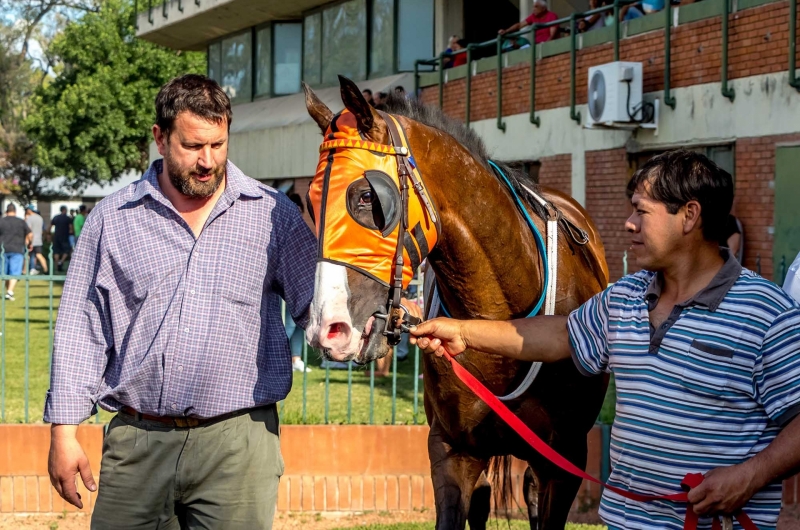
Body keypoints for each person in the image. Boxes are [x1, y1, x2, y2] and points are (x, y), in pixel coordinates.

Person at [411, 149, 800, 530]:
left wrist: (748, 477)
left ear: (689, 216)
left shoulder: (767, 314)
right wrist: (462, 331)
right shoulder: (625, 297)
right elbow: (561, 333)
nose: (628, 224)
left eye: (641, 211)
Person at [45, 74, 317, 530]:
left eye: (218, 144)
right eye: (192, 146)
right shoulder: (112, 220)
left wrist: (373, 322)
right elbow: (80, 329)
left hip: (238, 446)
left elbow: (319, 309)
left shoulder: (273, 214)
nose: (207, 161)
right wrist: (63, 433)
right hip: (138, 442)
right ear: (160, 138)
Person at [286, 192, 312, 373]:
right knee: (287, 325)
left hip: (300, 286)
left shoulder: (303, 231)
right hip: (284, 289)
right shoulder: (282, 231)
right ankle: (276, 359)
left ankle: (296, 359)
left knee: (298, 327)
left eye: (299, 210)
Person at [0, 203, 32, 300]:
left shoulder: (1, 221)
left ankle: (9, 292)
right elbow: (30, 234)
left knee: (4, 273)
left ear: (6, 211)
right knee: (15, 272)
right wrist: (29, 242)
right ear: (15, 211)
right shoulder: (21, 222)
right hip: (17, 248)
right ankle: (10, 292)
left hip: (2, 249)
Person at [24, 205, 48, 275]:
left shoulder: (30, 218)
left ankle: (24, 271)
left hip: (31, 240)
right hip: (38, 240)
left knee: (27, 255)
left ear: (29, 210)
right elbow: (42, 230)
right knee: (39, 255)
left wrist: (27, 240)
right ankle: (46, 270)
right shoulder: (40, 218)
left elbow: (28, 230)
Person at [50, 206, 72, 272]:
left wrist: (48, 234)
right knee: (67, 250)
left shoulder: (56, 217)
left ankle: (57, 268)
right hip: (64, 236)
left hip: (56, 236)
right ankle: (61, 261)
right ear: (65, 210)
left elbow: (50, 226)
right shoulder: (68, 218)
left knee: (56, 251)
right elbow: (71, 228)